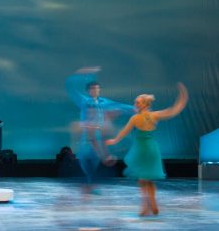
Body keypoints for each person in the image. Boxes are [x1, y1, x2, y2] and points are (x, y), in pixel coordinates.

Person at [106, 83, 188, 216]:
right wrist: (183, 97)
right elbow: (173, 111)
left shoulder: (135, 118)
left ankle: (145, 206)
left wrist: (114, 140)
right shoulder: (154, 115)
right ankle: (152, 204)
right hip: (151, 148)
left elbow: (124, 132)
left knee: (143, 179)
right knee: (148, 179)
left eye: (137, 102)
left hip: (141, 149)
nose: (135, 104)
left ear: (144, 104)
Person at [66, 67, 134, 193]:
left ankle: (91, 183)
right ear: (88, 91)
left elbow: (120, 106)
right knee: (83, 156)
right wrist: (79, 73)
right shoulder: (84, 101)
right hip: (87, 133)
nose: (95, 91)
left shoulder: (104, 102)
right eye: (92, 89)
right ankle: (89, 181)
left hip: (99, 134)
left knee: (96, 157)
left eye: (97, 89)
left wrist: (134, 109)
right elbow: (70, 87)